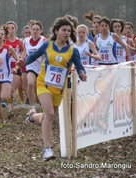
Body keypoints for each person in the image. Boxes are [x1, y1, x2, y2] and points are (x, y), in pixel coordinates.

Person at [16, 17, 87, 161]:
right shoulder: (47, 45)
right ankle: (47, 150)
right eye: (64, 30)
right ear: (56, 31)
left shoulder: (73, 51)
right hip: (43, 84)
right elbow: (33, 57)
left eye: (69, 31)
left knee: (46, 116)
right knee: (49, 114)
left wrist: (82, 74)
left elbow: (80, 67)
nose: (67, 33)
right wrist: (24, 62)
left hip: (58, 90)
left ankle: (32, 117)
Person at [0, 28, 19, 128]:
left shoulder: (8, 48)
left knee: (4, 97)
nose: (0, 36)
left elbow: (18, 60)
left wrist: (16, 68)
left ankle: (10, 97)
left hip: (6, 76)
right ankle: (3, 120)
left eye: (2, 34)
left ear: (4, 37)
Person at [22, 21, 48, 112]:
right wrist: (21, 60)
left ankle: (42, 103)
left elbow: (48, 53)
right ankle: (32, 107)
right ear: (31, 30)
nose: (35, 31)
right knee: (30, 84)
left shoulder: (44, 40)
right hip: (31, 66)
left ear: (40, 31)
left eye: (37, 29)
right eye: (33, 29)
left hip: (41, 66)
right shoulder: (26, 41)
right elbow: (24, 52)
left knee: (40, 87)